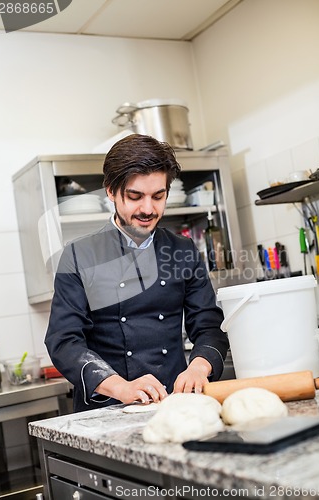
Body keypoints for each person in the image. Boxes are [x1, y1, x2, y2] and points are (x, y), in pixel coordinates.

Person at [45, 134, 228, 412]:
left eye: (158, 196)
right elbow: (64, 341)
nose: (148, 209)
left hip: (173, 404)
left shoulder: (183, 250)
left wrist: (199, 368)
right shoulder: (78, 255)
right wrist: (121, 387)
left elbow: (208, 327)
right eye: (135, 196)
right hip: (105, 408)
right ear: (111, 192)